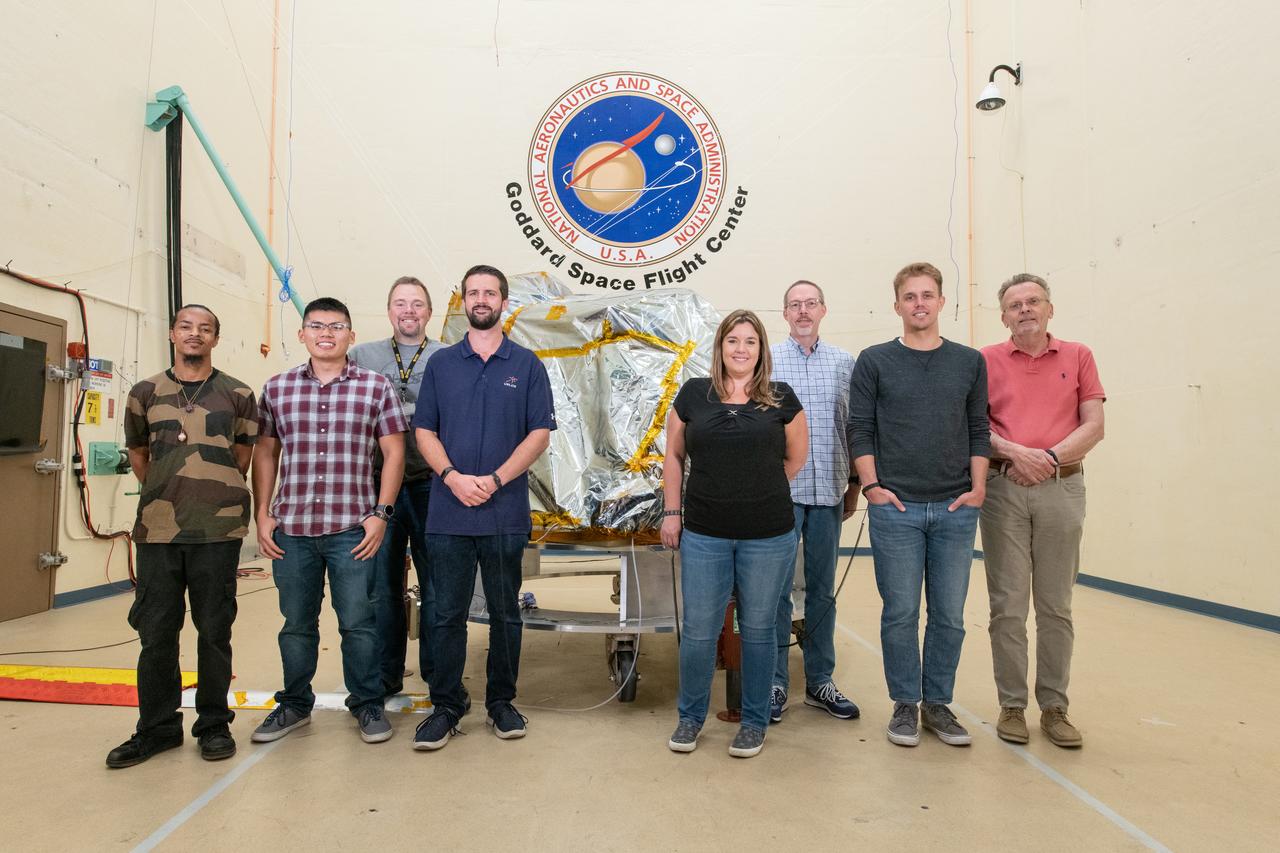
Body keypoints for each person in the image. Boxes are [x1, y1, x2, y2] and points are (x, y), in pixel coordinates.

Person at [409, 264, 555, 751]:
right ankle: (446, 706)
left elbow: (539, 434)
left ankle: (501, 702)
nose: (481, 299)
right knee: (446, 613)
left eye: (490, 293)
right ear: (464, 302)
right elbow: (424, 431)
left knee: (505, 613)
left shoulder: (527, 365)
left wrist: (494, 480)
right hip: (448, 512)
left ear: (504, 303)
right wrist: (452, 477)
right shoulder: (442, 364)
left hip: (503, 511)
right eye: (473, 292)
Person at [106, 304, 259, 768]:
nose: (195, 334)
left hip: (218, 529)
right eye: (187, 327)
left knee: (214, 631)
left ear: (216, 339)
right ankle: (157, 728)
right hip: (158, 530)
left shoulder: (238, 394)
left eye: (205, 329)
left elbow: (242, 456)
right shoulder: (145, 392)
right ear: (173, 333)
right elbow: (139, 453)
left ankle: (213, 724)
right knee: (156, 633)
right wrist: (165, 489)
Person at [251, 297, 407, 745]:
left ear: (351, 336)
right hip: (292, 530)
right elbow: (266, 452)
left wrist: (381, 514)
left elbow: (395, 452)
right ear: (302, 334)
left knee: (358, 623)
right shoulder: (277, 389)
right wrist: (262, 513)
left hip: (352, 529)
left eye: (336, 326)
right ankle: (295, 705)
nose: (326, 333)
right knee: (296, 624)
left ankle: (368, 703)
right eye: (316, 325)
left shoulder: (375, 387)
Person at [848, 262, 990, 748]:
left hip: (955, 508)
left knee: (949, 615)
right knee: (901, 613)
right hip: (897, 510)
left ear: (942, 302)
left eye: (928, 295)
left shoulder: (969, 362)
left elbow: (979, 428)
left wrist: (977, 489)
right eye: (910, 296)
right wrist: (872, 487)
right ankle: (905, 703)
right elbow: (860, 428)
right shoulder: (874, 360)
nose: (919, 304)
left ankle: (938, 705)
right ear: (897, 306)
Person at [662, 309, 808, 759]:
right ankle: (690, 718)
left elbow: (795, 459)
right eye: (733, 340)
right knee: (700, 630)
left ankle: (754, 721)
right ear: (720, 346)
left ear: (761, 350)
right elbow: (673, 457)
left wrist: (755, 488)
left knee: (759, 629)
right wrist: (672, 512)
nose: (741, 349)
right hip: (705, 533)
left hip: (768, 534)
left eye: (750, 341)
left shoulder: (782, 398)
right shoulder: (693, 394)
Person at [981, 273, 1106, 748]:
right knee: (1007, 605)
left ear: (1050, 309)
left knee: (1056, 605)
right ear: (1004, 317)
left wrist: (1048, 459)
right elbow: (975, 426)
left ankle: (1055, 707)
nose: (1025, 310)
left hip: (1062, 488)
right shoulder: (985, 361)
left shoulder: (1079, 356)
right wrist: (1018, 454)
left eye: (1034, 301)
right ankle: (1012, 705)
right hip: (1003, 490)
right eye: (1015, 305)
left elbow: (1094, 425)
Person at [349, 276, 447, 700]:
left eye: (417, 303)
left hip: (432, 484)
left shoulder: (448, 357)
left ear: (429, 311)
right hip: (377, 487)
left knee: (437, 584)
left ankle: (438, 675)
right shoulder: (361, 356)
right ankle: (385, 675)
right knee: (380, 588)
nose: (409, 311)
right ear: (389, 310)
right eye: (401, 303)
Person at [769, 280, 860, 724]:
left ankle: (820, 681)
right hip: (779, 495)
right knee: (776, 591)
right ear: (785, 314)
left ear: (823, 310)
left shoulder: (845, 363)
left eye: (810, 304)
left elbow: (854, 428)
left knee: (822, 592)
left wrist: (854, 485)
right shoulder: (767, 362)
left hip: (828, 493)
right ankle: (774, 683)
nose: (803, 311)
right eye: (795, 305)